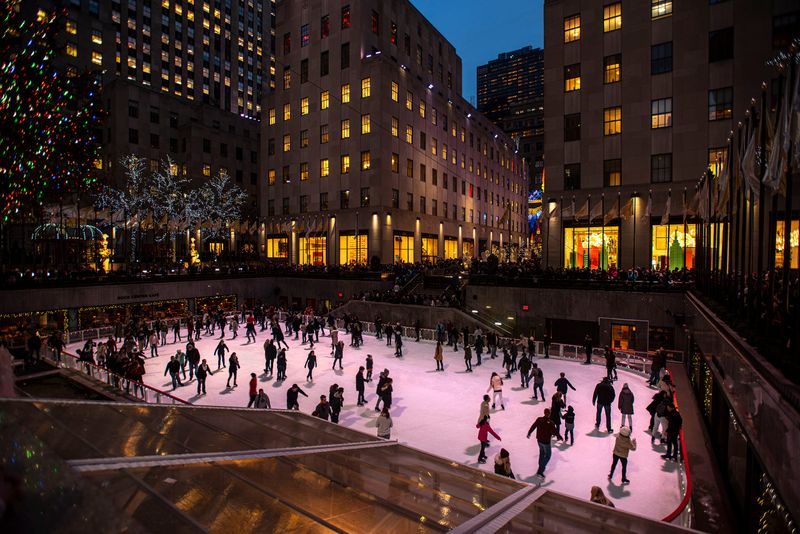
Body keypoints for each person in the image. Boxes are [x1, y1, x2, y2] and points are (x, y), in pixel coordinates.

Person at [527, 408, 562, 478]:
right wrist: (559, 436)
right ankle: (540, 470)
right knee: (548, 455)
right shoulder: (551, 423)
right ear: (549, 414)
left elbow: (533, 426)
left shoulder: (539, 419)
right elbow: (555, 431)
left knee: (542, 453)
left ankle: (540, 466)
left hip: (539, 440)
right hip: (546, 442)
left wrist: (529, 433)